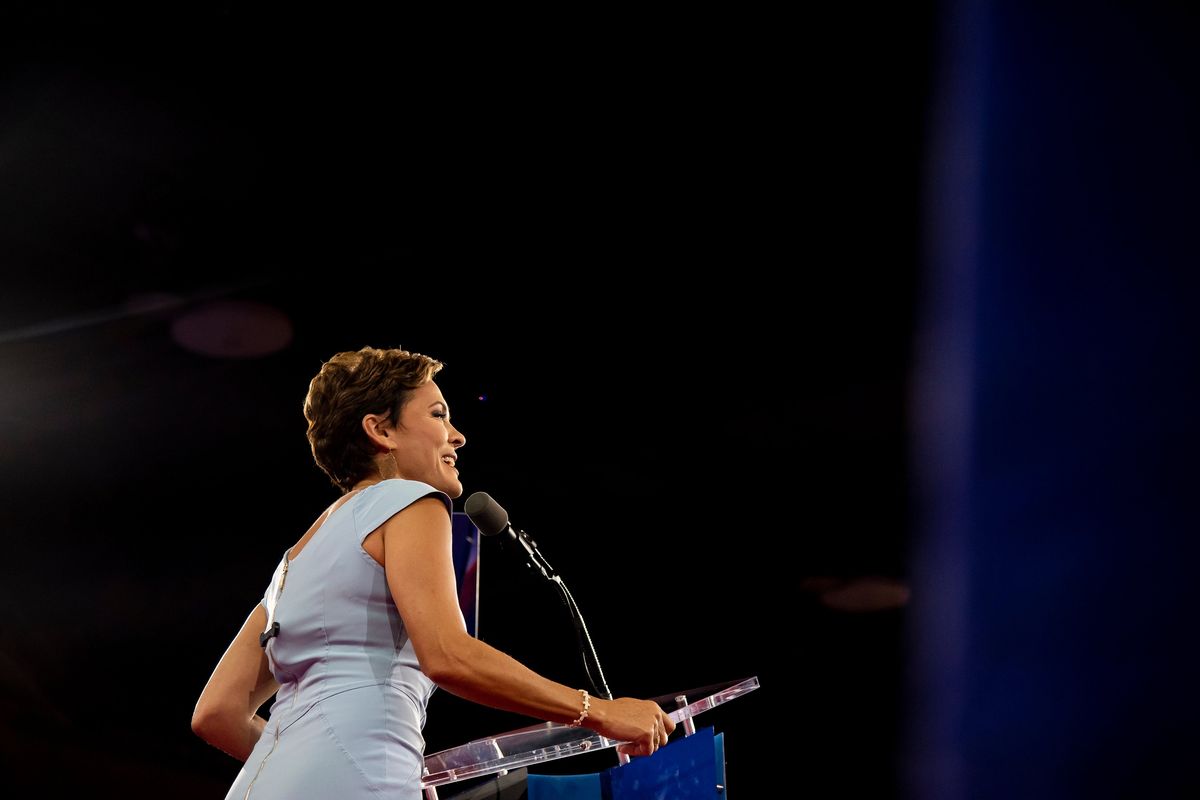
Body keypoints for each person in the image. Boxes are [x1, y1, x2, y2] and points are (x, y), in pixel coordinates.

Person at [192, 346, 674, 799]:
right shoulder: (409, 502)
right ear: (381, 431)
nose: (457, 436)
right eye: (438, 414)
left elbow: (217, 715)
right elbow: (448, 656)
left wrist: (320, 768)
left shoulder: (293, 564)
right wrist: (600, 712)